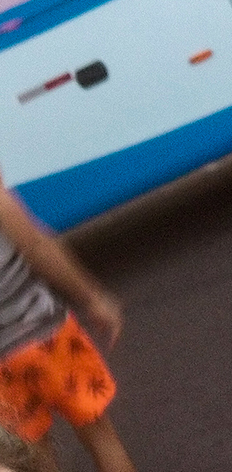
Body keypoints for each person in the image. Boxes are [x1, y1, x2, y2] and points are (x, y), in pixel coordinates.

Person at [0, 165, 136, 472]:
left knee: (34, 458)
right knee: (99, 435)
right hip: (47, 334)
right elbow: (36, 245)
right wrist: (93, 297)